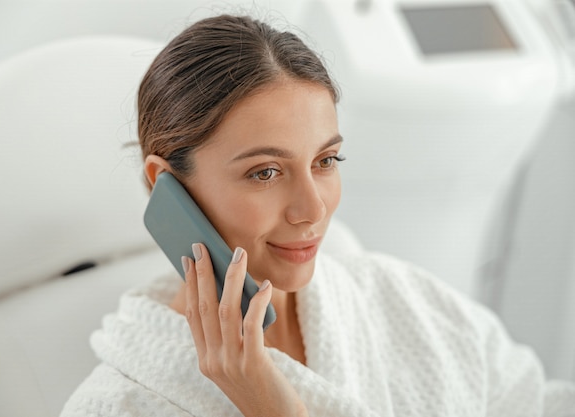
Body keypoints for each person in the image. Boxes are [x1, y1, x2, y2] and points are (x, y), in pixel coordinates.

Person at [61, 13, 575, 417]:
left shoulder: (399, 300)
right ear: (163, 184)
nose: (313, 209)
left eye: (325, 161)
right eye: (265, 172)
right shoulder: (116, 406)